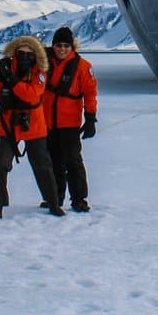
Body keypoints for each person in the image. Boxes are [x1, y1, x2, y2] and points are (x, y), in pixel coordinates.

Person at [0, 35, 63, 222]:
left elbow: (32, 95)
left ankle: (53, 203)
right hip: (8, 126)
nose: (25, 57)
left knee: (43, 165)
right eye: (21, 53)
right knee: (0, 166)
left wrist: (11, 79)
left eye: (29, 54)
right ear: (15, 53)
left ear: (36, 55)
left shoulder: (40, 72)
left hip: (34, 125)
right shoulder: (5, 69)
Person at [41, 26, 99, 213]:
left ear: (72, 47)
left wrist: (90, 118)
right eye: (58, 45)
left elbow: (90, 94)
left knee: (73, 162)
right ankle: (55, 197)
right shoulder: (43, 63)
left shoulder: (82, 67)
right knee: (53, 162)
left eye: (66, 45)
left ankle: (79, 199)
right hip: (47, 122)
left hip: (70, 123)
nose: (62, 49)